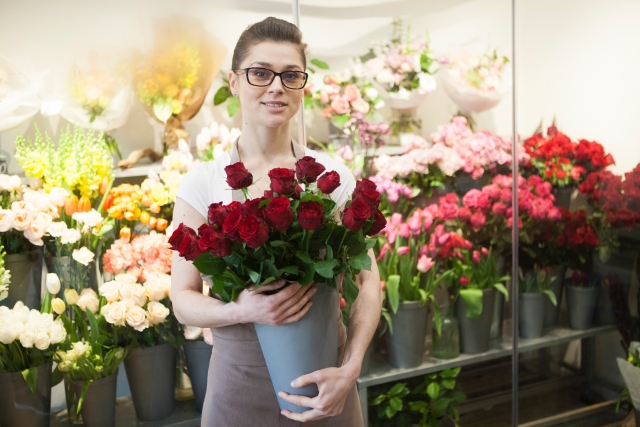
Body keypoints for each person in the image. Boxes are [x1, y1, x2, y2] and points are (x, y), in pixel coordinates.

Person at [171, 16, 381, 426]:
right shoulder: (203, 183)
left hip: (325, 389)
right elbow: (183, 301)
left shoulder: (331, 178)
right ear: (234, 82)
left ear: (303, 85)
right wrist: (242, 310)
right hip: (238, 390)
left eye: (290, 75)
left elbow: (367, 279)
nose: (276, 86)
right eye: (260, 73)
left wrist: (351, 368)